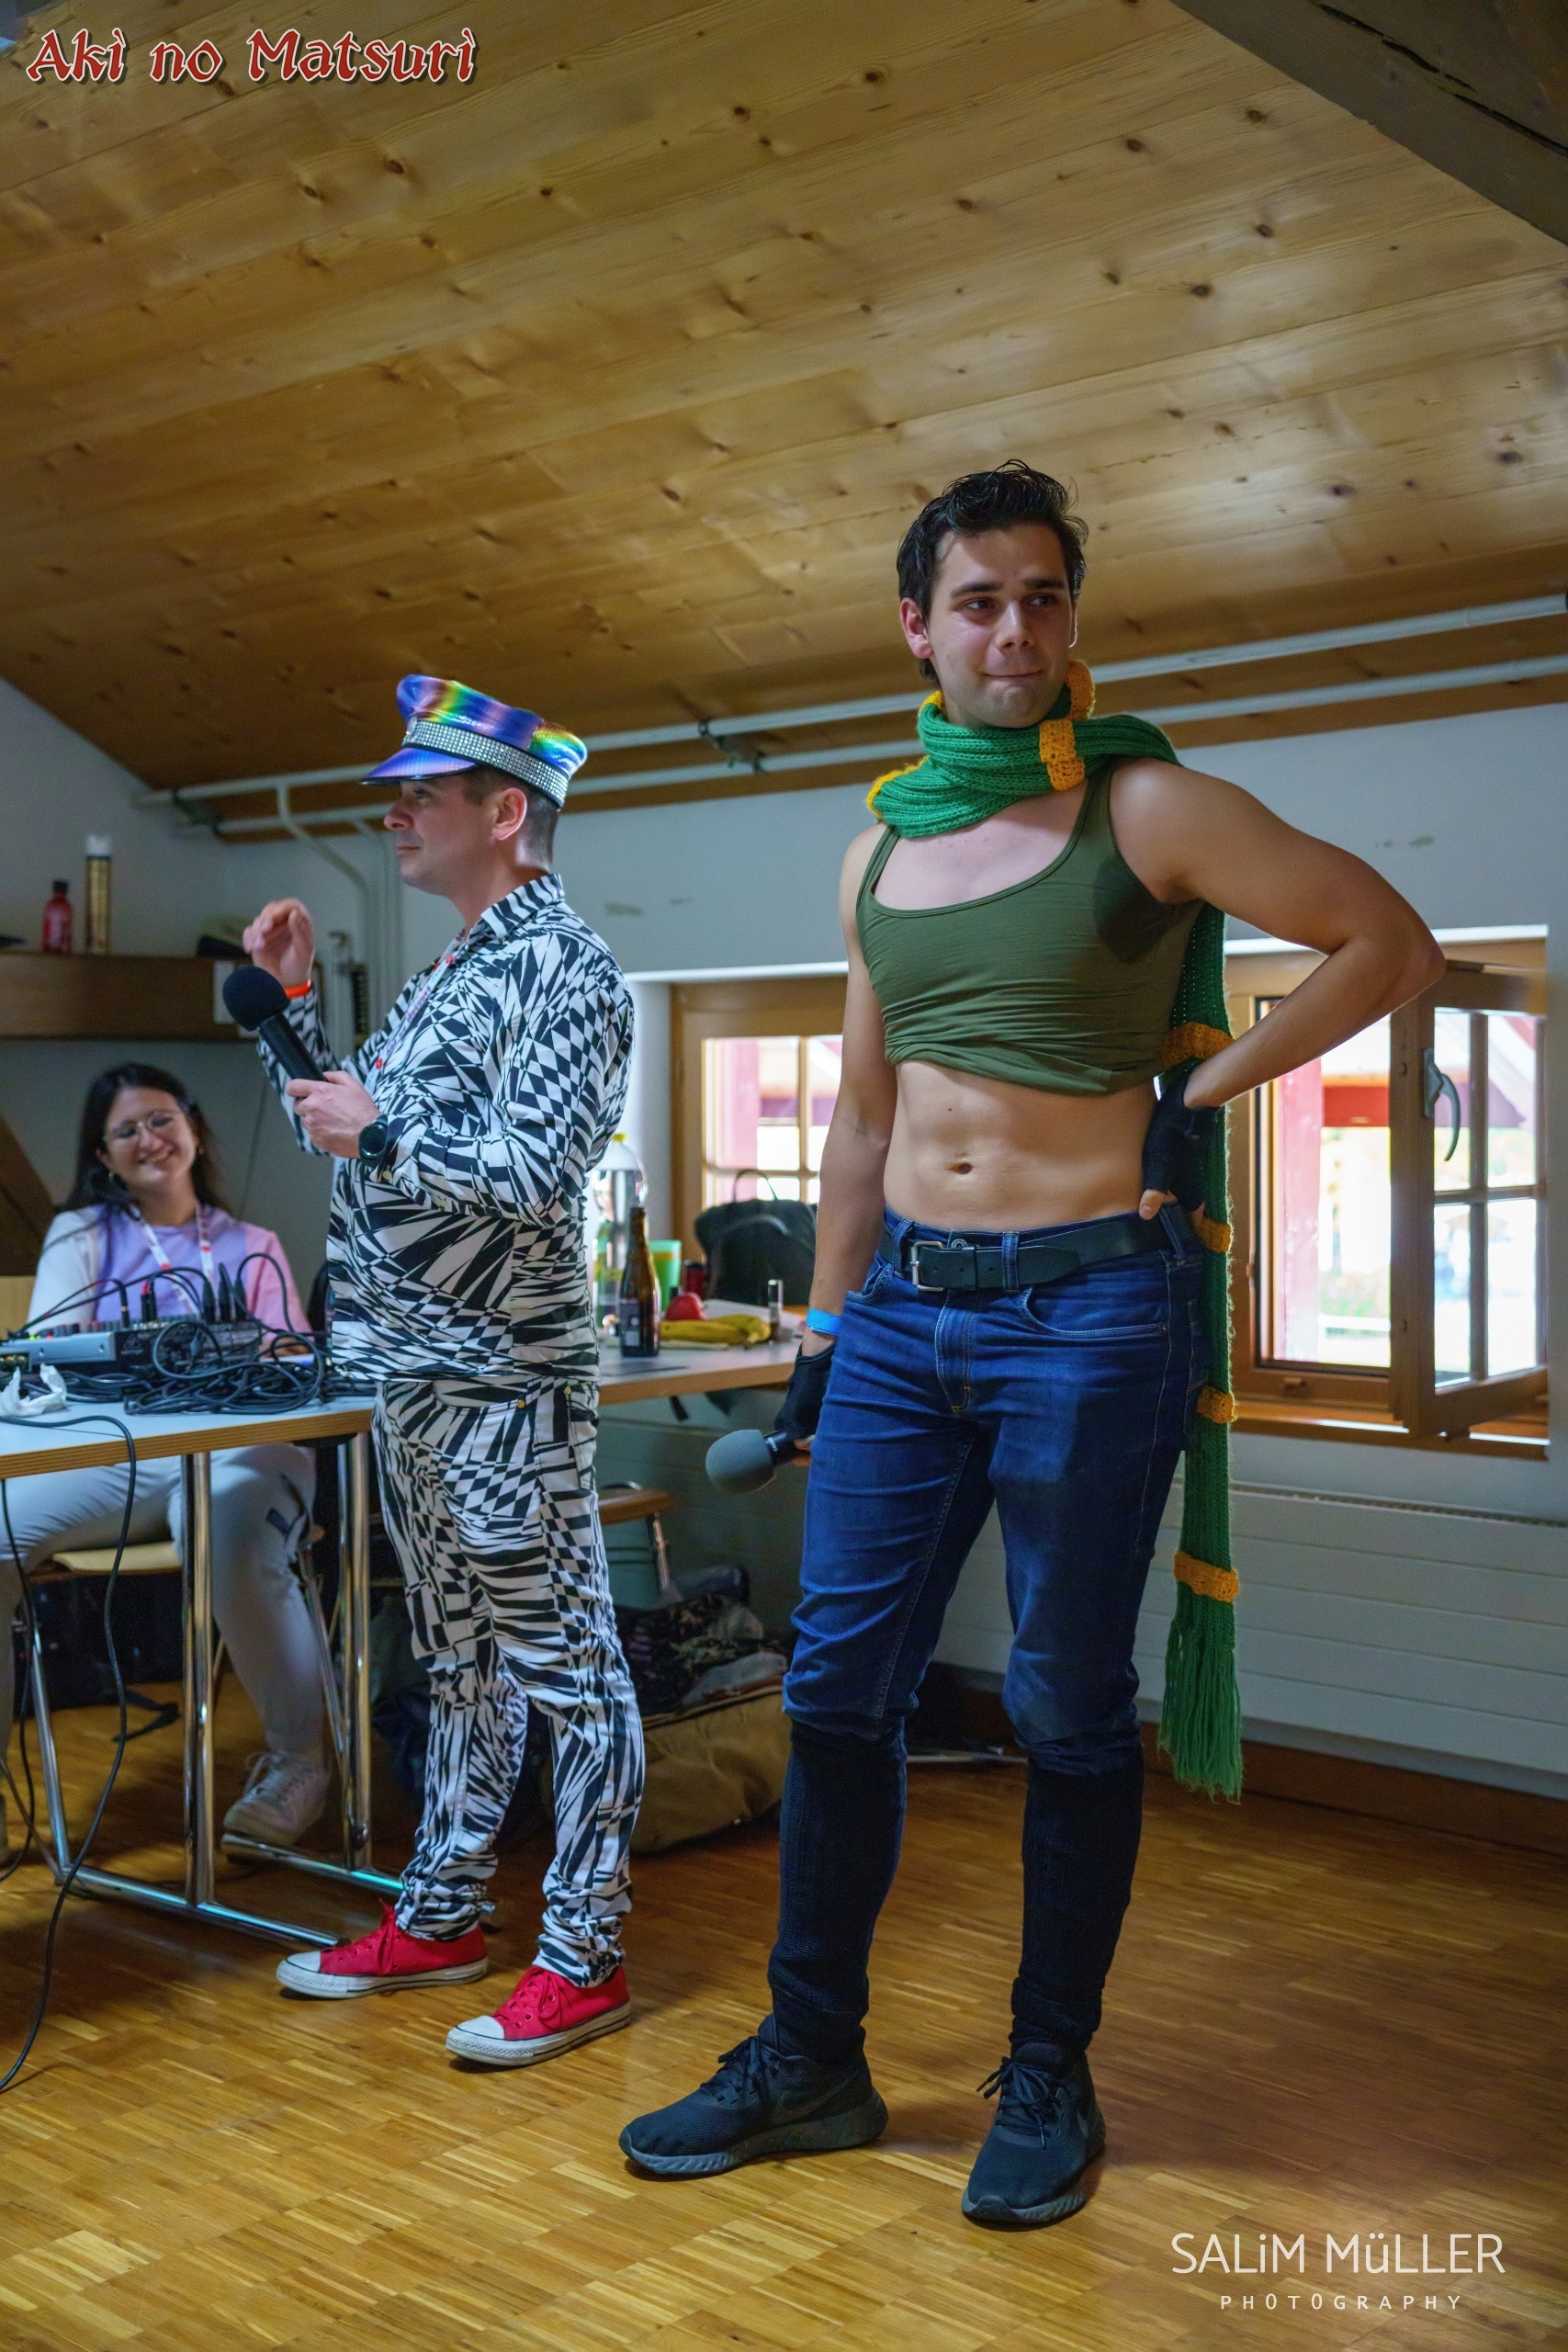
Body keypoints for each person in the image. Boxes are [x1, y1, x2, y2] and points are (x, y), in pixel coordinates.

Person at [620, 462, 1443, 2222]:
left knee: (1065, 1701)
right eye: (980, 601)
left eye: (1044, 597)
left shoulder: (1145, 804)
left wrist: (1194, 1096)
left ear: (1071, 618)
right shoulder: (878, 849)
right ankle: (809, 2059)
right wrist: (825, 1327)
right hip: (902, 1315)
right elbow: (861, 1119)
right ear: (917, 629)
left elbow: (1386, 941)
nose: (1015, 629)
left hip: (1090, 1305)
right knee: (837, 1691)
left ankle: (1048, 2073)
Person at [245, 675, 643, 2071]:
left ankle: (582, 1957)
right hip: (412, 1377)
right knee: (461, 1663)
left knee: (569, 1674)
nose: (394, 814)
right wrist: (290, 1010)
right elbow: (346, 1133)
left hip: (505, 1385)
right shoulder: (453, 970)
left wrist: (379, 1131)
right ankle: (441, 1915)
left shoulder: (570, 971)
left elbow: (532, 1177)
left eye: (420, 793)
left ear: (506, 811)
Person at [1, 1062, 329, 1846]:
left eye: (160, 1120)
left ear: (193, 1129)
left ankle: (300, 1766)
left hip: (242, 1450)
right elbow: (46, 1361)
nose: (148, 1139)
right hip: (118, 1458)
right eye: (125, 1131)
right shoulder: (82, 1235)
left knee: (231, 1538)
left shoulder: (251, 1245)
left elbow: (296, 1367)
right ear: (103, 1157)